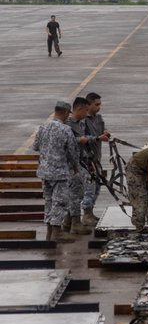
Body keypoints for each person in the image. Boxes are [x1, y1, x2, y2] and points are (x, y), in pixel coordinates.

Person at [33, 100, 80, 237]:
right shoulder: (65, 129)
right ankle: (57, 231)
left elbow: (35, 147)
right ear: (66, 113)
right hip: (59, 172)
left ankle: (49, 230)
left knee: (48, 200)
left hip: (44, 172)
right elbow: (72, 151)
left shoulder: (42, 128)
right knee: (60, 201)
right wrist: (76, 167)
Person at [80, 92, 111, 228]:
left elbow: (102, 129)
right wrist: (98, 138)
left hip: (96, 158)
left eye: (100, 104)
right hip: (86, 160)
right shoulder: (83, 120)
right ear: (88, 105)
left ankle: (90, 212)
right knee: (89, 188)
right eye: (96, 105)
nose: (99, 107)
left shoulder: (98, 118)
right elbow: (82, 138)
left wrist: (106, 133)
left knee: (97, 187)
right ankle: (86, 214)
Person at [64, 96, 92, 233]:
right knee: (75, 194)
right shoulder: (67, 124)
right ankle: (75, 224)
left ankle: (68, 222)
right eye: (85, 110)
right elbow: (65, 143)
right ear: (79, 109)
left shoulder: (79, 123)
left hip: (80, 162)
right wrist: (79, 140)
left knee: (77, 193)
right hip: (71, 165)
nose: (87, 114)